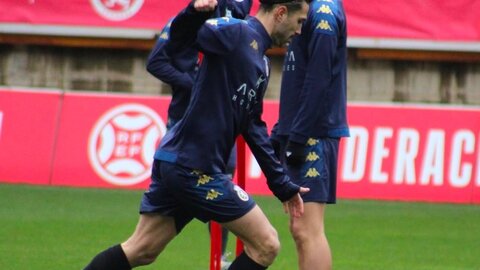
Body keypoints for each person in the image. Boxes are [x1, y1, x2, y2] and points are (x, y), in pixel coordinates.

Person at [83, 0, 310, 269]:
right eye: (300, 22)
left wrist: (281, 184)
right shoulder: (236, 32)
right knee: (266, 244)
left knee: (142, 249)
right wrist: (193, 12)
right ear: (281, 13)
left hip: (179, 162)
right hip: (194, 168)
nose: (299, 31)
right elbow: (180, 43)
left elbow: (252, 125)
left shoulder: (261, 60)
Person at [145, 1, 253, 267]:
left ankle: (221, 255)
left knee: (225, 181)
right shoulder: (182, 23)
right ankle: (149, 239)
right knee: (173, 187)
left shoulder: (231, 24)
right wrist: (192, 85)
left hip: (218, 120)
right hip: (183, 119)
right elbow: (155, 62)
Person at [270, 0, 349, 269]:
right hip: (303, 129)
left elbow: (319, 79)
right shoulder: (307, 8)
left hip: (313, 133)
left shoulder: (323, 11)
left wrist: (299, 137)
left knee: (307, 229)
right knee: (299, 228)